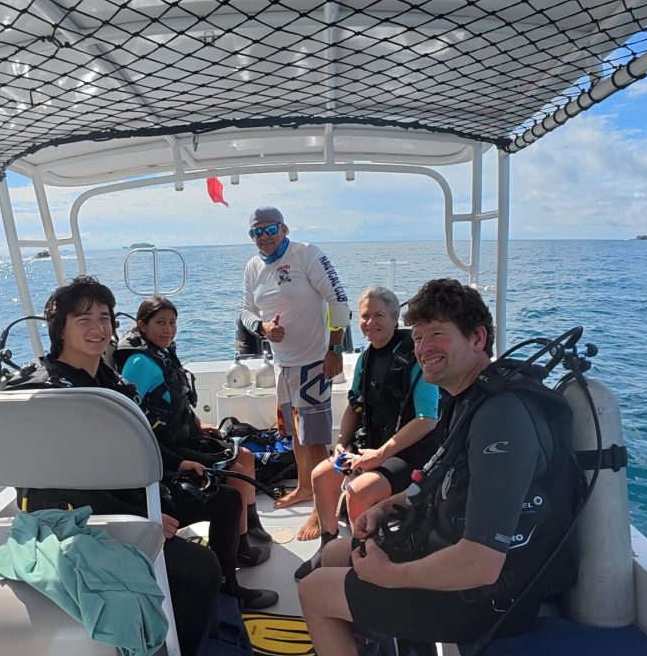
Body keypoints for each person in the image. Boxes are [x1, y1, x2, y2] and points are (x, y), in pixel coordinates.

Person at [294, 279, 581, 656]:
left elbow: (482, 564)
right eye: (420, 334)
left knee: (313, 591)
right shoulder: (470, 396)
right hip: (449, 554)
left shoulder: (501, 417)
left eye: (439, 334)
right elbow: (442, 475)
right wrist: (390, 506)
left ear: (478, 338)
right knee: (331, 554)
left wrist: (390, 577)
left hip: (486, 601)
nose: (424, 346)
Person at [3, 277, 269, 656]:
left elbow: (139, 437)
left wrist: (178, 463)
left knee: (227, 499)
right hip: (84, 521)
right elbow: (61, 484)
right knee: (199, 569)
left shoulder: (108, 380)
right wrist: (140, 521)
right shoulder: (51, 393)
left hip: (134, 496)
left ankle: (229, 594)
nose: (98, 328)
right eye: (84, 319)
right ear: (60, 328)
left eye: (104, 317)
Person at [115, 295, 274, 569]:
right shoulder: (139, 364)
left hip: (185, 436)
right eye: (160, 323)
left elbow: (173, 402)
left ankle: (251, 527)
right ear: (142, 325)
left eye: (172, 322)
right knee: (237, 466)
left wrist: (199, 424)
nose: (168, 329)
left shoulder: (162, 353)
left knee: (245, 456)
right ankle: (241, 549)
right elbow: (132, 419)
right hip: (168, 448)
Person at [294, 286, 441, 580]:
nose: (370, 323)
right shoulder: (365, 359)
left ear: (395, 318)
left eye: (378, 316)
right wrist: (340, 444)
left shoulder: (415, 360)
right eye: (364, 316)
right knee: (321, 476)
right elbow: (354, 406)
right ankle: (328, 546)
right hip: (372, 448)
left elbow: (428, 419)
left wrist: (380, 455)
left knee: (357, 492)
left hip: (411, 452)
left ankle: (361, 559)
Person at [239, 206, 351, 538]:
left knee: (315, 440)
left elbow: (338, 300)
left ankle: (322, 508)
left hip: (315, 361)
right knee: (296, 434)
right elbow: (245, 309)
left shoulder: (307, 254)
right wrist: (261, 327)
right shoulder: (253, 267)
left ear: (284, 229)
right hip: (282, 365)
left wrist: (334, 349)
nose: (264, 237)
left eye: (270, 229)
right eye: (257, 232)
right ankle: (305, 487)